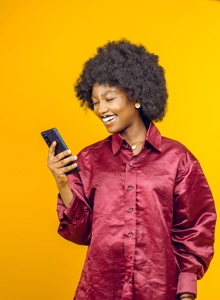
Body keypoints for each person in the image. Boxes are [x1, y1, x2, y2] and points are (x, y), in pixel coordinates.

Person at [47, 40, 216, 300]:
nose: (101, 109)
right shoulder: (90, 159)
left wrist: (186, 292)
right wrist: (62, 183)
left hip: (158, 289)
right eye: (94, 102)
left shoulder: (178, 158)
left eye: (109, 99)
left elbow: (195, 228)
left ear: (136, 96)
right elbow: (81, 233)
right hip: (101, 289)